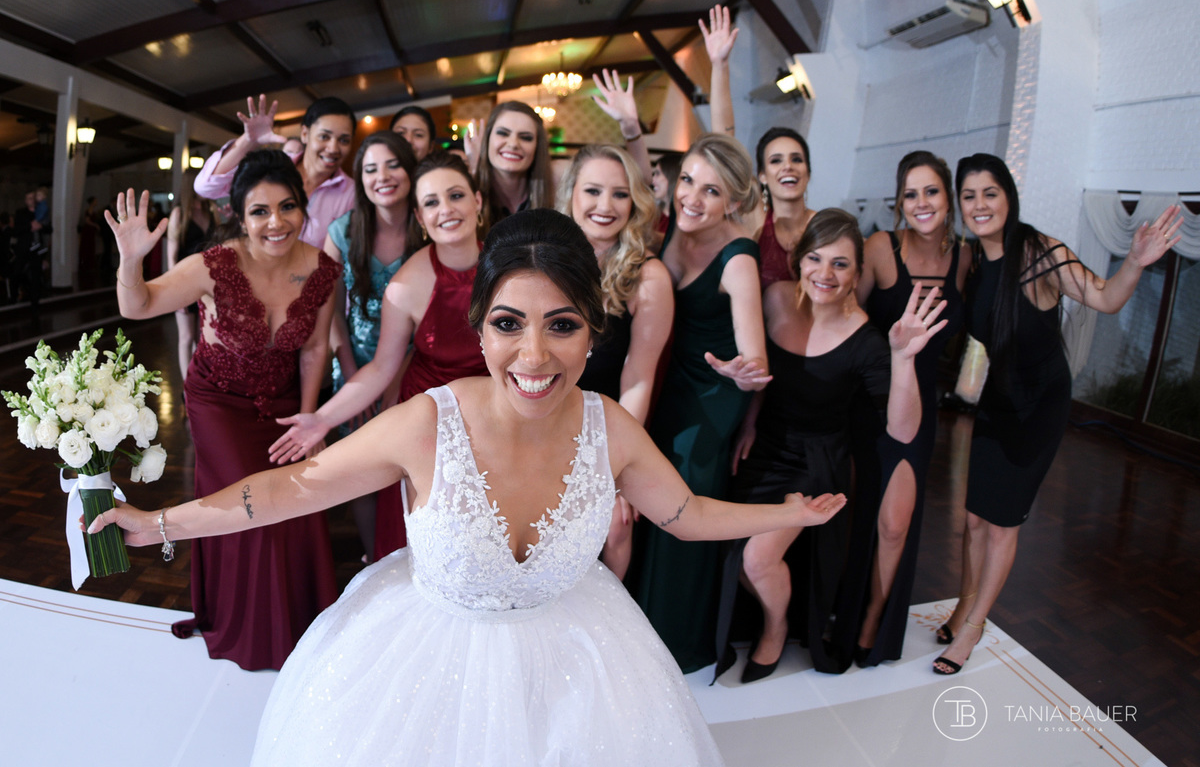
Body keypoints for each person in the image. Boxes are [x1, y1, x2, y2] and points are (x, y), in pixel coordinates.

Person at [89, 208, 846, 766]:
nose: (533, 354)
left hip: (582, 672)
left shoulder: (607, 425)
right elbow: (284, 491)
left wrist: (787, 512)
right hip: (423, 667)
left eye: (562, 325)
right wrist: (158, 525)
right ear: (481, 328)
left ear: (593, 333)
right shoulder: (427, 423)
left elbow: (684, 512)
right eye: (510, 323)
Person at [933, 153, 1182, 675]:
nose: (980, 205)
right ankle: (962, 605)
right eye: (969, 196)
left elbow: (1105, 298)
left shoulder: (1040, 253)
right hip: (996, 404)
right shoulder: (971, 260)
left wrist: (1134, 261)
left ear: (1008, 196)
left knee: (1001, 525)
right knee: (974, 520)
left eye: (990, 193)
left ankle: (975, 627)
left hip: (1038, 407)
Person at [107, 150, 340, 670]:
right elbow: (137, 305)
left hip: (283, 404)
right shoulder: (212, 266)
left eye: (287, 207)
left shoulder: (324, 270)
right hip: (219, 402)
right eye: (260, 211)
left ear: (304, 209)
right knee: (249, 507)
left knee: (297, 496)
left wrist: (309, 422)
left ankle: (300, 624)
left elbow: (314, 349)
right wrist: (130, 259)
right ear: (239, 215)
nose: (275, 222)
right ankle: (253, 632)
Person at [718, 208, 945, 679]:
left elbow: (903, 431)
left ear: (858, 273)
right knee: (730, 553)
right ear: (799, 261)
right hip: (765, 449)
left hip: (817, 464)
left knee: (757, 559)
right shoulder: (777, 298)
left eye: (840, 264)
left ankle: (775, 629)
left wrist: (903, 359)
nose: (825, 274)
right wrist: (750, 420)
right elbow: (769, 376)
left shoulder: (865, 340)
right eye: (816, 259)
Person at [270, 151, 488, 562]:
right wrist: (321, 418)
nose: (447, 210)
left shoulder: (509, 265)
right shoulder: (407, 285)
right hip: (429, 421)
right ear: (421, 220)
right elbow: (382, 367)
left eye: (456, 195)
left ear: (478, 201)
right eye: (431, 203)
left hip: (495, 417)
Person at [629, 132, 770, 673]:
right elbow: (642, 183)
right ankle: (639, 621)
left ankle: (674, 642)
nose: (692, 197)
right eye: (687, 181)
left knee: (680, 503)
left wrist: (742, 371)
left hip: (711, 398)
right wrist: (630, 132)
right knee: (647, 491)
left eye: (710, 191)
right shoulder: (673, 224)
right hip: (667, 377)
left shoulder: (738, 262)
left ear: (733, 201)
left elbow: (755, 361)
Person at [850, 151, 970, 667]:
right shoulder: (880, 247)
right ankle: (840, 608)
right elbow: (846, 315)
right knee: (852, 512)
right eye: (911, 193)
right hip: (865, 397)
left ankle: (875, 617)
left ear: (948, 198)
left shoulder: (965, 259)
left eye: (932, 192)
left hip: (920, 408)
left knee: (895, 524)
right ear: (900, 202)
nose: (922, 203)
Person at [557, 144, 674, 579]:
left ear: (635, 202)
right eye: (593, 191)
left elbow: (639, 378)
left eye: (620, 194)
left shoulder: (648, 277)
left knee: (614, 525)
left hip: (602, 424)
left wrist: (615, 463)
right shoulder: (545, 261)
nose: (605, 206)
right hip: (539, 413)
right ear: (571, 194)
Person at [323, 131, 421, 559]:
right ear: (359, 180)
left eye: (392, 164)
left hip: (416, 363)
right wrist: (350, 376)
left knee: (408, 467)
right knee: (362, 468)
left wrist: (394, 382)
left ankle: (413, 554)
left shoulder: (429, 227)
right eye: (370, 169)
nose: (382, 176)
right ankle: (373, 558)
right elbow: (327, 314)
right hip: (355, 363)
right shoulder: (343, 232)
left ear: (410, 170)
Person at [195, 94, 356, 249]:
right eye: (324, 137)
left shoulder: (352, 193)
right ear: (305, 134)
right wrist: (248, 141)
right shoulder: (272, 168)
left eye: (344, 140)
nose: (333, 148)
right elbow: (206, 188)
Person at [472, 100, 554, 228]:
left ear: (537, 147)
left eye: (525, 137)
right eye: (503, 133)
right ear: (487, 139)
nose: (513, 143)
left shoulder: (555, 187)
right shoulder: (468, 193)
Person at [754, 129, 816, 289]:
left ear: (808, 173)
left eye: (796, 159)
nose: (788, 166)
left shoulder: (825, 226)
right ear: (763, 176)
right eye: (776, 161)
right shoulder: (756, 231)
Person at [165, 185, 216, 380]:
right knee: (186, 337)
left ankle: (199, 383)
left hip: (207, 283)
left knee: (202, 338)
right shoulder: (179, 213)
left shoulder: (209, 211)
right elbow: (172, 257)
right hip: (185, 282)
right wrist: (175, 291)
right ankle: (187, 386)